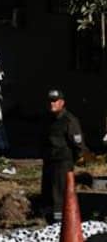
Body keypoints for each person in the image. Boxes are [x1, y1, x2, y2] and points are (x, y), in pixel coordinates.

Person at [40, 88, 85, 224]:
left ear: (62, 103)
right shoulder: (47, 119)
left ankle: (59, 224)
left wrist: (74, 160)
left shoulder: (69, 120)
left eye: (55, 101)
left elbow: (78, 145)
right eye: (50, 101)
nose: (52, 104)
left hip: (62, 163)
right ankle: (48, 222)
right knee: (47, 194)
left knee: (58, 196)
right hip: (49, 162)